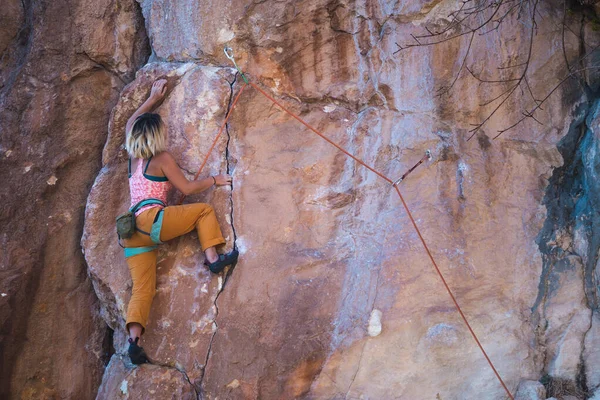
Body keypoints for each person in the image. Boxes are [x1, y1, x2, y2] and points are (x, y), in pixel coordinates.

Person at [120, 79, 238, 364]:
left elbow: (129, 124)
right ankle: (213, 259)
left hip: (130, 233)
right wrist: (214, 180)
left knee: (142, 289)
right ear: (158, 135)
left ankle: (134, 341)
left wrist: (151, 98)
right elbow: (186, 189)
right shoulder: (161, 159)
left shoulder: (133, 158)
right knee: (203, 211)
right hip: (152, 221)